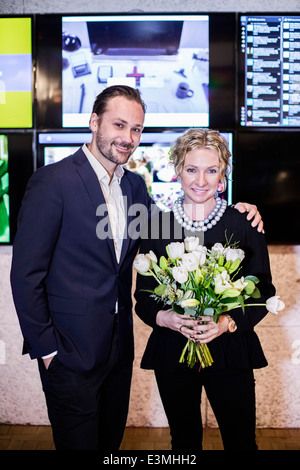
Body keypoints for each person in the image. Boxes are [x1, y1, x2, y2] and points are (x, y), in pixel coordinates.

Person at [10, 86, 263, 451]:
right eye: (119, 125)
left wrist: (243, 211)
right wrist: (47, 350)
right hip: (68, 351)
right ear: (94, 122)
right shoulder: (53, 182)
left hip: (117, 350)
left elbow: (175, 231)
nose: (128, 138)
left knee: (110, 443)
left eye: (137, 129)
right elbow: (25, 276)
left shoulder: (134, 187)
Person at [134, 128, 275, 451]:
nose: (201, 180)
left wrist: (226, 322)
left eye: (211, 170)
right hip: (173, 350)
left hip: (231, 349)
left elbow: (263, 291)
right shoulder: (157, 224)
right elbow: (142, 298)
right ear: (177, 171)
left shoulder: (243, 223)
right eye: (191, 169)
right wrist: (166, 318)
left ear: (223, 174)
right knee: (183, 442)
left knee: (240, 441)